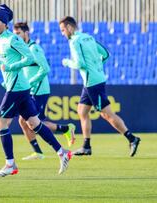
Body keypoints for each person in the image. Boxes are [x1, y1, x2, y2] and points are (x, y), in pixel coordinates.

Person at [0, 4, 72, 178]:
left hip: (16, 89)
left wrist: (10, 66)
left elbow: (30, 58)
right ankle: (62, 152)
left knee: (0, 124)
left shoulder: (13, 39)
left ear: (4, 23)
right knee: (34, 124)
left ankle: (10, 164)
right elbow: (7, 67)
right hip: (20, 88)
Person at [59, 16, 141, 157]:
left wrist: (67, 62)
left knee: (107, 114)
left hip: (92, 83)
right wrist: (97, 68)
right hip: (94, 80)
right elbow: (106, 54)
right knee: (82, 111)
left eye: (63, 30)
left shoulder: (74, 41)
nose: (62, 33)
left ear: (69, 27)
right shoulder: (88, 37)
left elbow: (80, 64)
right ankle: (86, 146)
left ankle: (132, 138)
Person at [13, 22, 76, 161]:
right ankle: (38, 152)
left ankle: (65, 129)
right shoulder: (22, 49)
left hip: (39, 90)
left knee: (34, 121)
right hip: (29, 91)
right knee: (23, 121)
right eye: (15, 34)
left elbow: (45, 69)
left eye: (18, 34)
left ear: (26, 33)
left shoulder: (34, 48)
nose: (16, 37)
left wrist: (30, 82)